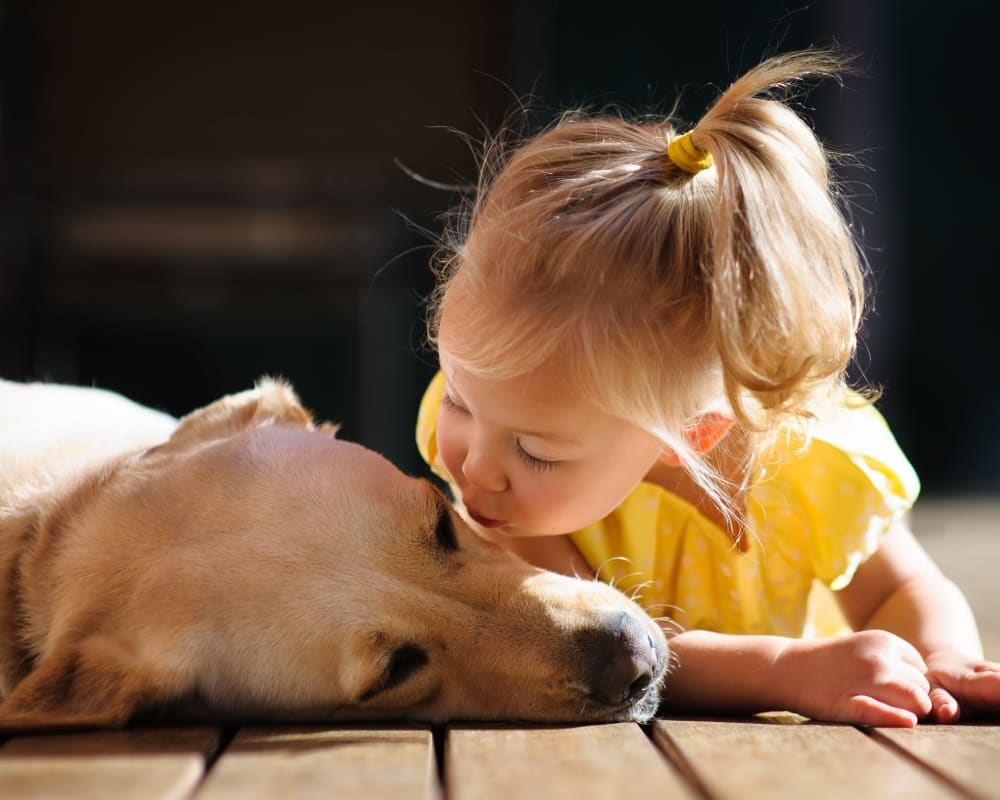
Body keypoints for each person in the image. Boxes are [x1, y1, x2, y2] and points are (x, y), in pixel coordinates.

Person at [414, 49, 1000, 727]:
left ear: (692, 433)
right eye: (459, 398)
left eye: (536, 450)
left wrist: (941, 658)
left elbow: (904, 587)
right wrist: (785, 670)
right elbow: (595, 651)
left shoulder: (817, 462)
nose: (473, 464)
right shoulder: (513, 516)